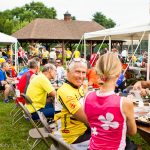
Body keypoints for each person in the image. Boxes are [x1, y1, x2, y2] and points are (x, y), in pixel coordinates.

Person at [84, 53, 137, 150]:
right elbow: (132, 132)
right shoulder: (124, 103)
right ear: (118, 74)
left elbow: (91, 121)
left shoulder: (87, 97)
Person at [54, 58, 90, 150]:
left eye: (83, 72)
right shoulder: (65, 91)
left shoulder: (77, 86)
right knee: (113, 139)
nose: (81, 76)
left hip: (80, 130)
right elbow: (87, 120)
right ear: (68, 72)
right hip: (70, 138)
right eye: (77, 72)